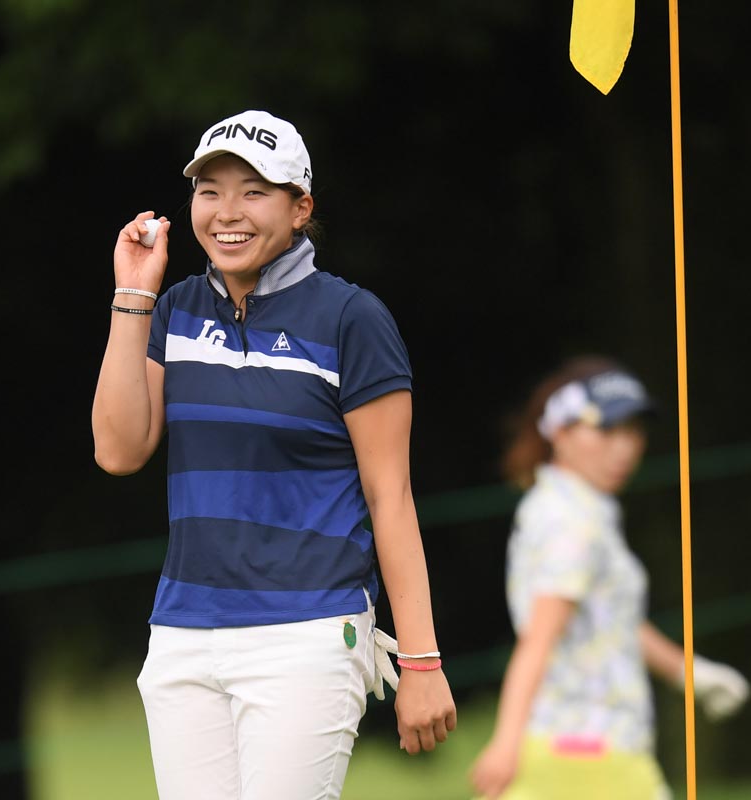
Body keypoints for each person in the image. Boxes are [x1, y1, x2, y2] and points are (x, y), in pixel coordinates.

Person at [91, 109, 457, 800]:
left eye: (254, 192)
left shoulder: (350, 319)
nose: (227, 212)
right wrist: (133, 293)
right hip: (184, 634)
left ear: (300, 209)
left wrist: (421, 660)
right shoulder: (175, 310)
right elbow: (118, 449)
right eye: (210, 191)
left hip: (307, 632)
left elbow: (391, 496)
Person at [469, 355, 751, 800]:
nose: (624, 447)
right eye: (606, 430)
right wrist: (506, 744)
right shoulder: (570, 521)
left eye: (633, 431)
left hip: (583, 748)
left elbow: (610, 618)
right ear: (560, 432)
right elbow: (539, 638)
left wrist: (688, 672)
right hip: (589, 750)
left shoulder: (578, 508)